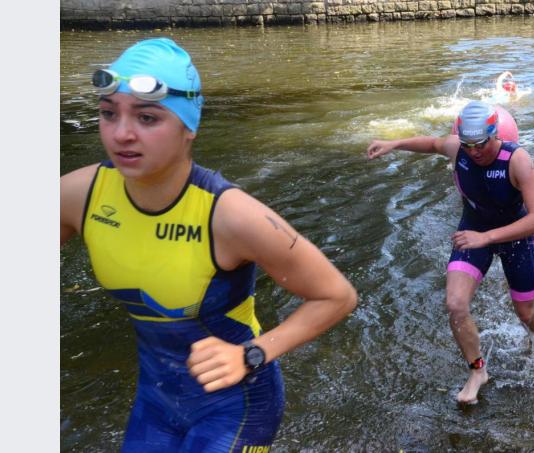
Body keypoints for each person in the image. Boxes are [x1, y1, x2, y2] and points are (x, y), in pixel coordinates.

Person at [60, 38, 358, 452]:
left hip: (237, 404)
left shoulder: (232, 215)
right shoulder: (80, 195)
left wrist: (251, 354)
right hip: (156, 402)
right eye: (109, 113)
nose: (121, 133)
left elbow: (337, 296)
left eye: (147, 117)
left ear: (189, 126)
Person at [366, 100, 534, 405]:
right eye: (467, 144)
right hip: (472, 230)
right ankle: (478, 371)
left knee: (525, 313)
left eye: (480, 144)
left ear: (494, 134)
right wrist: (394, 143)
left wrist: (487, 237)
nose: (474, 152)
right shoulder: (459, 149)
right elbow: (433, 144)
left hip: (514, 237)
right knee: (455, 304)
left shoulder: (517, 160)